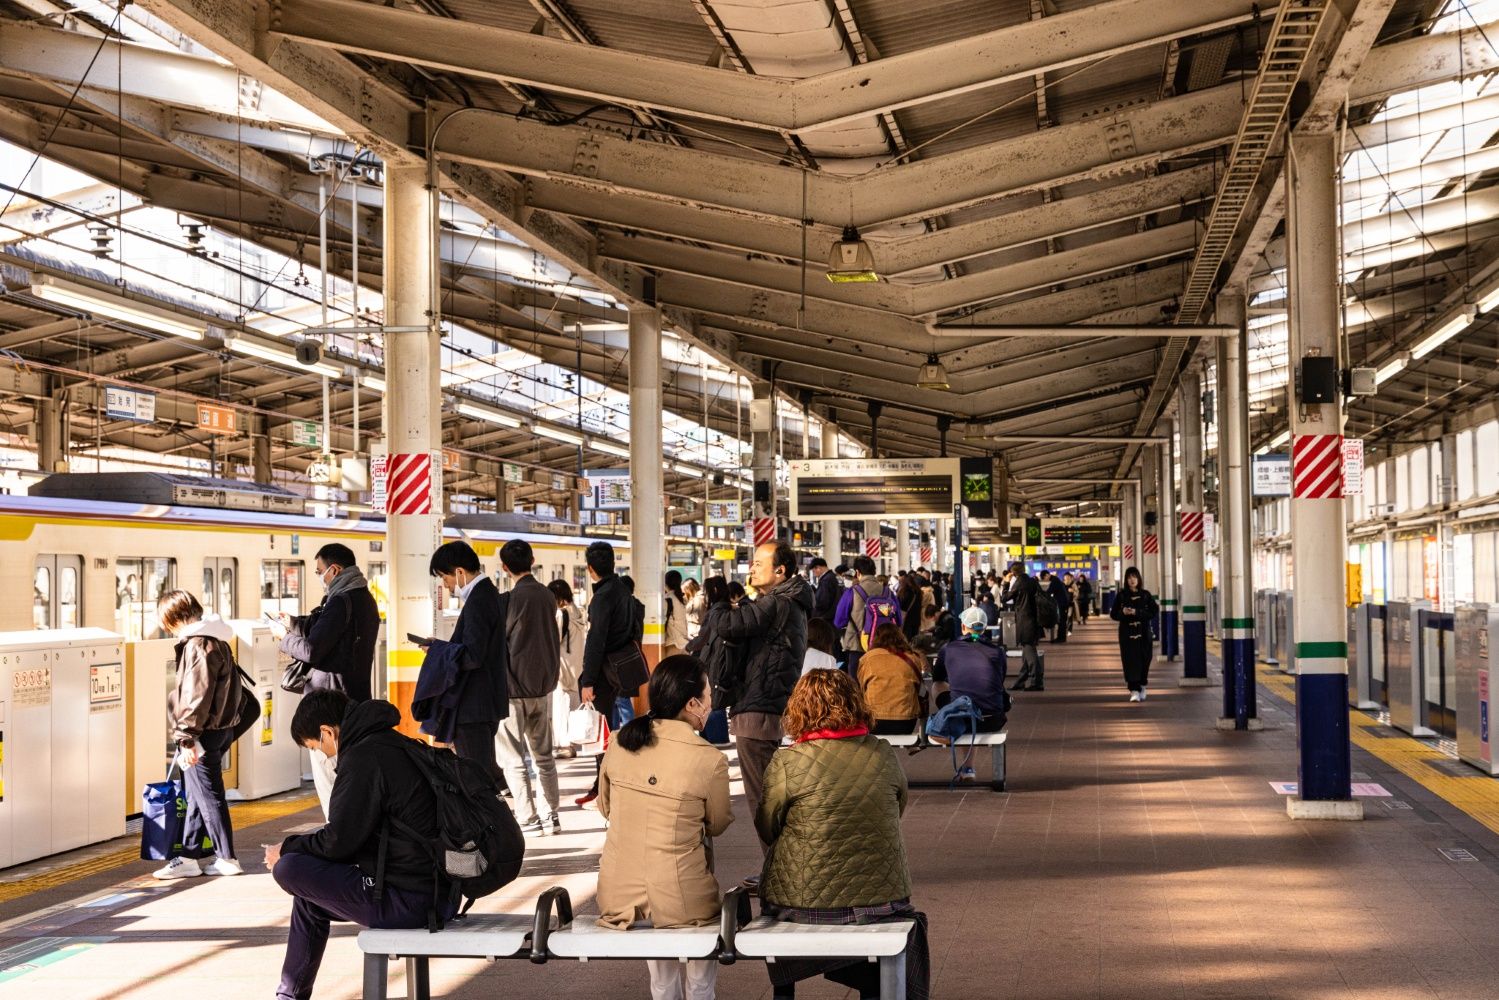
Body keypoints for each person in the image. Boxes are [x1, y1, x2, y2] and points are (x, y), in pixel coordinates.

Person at [269, 691, 458, 1000]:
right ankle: (289, 996)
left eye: (318, 748)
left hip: (409, 900)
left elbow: (339, 842)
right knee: (309, 896)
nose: (323, 757)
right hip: (434, 891)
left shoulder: (362, 759)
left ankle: (289, 997)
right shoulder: (390, 744)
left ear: (328, 732)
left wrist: (286, 848)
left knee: (289, 869)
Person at [757, 669, 927, 1000]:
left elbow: (767, 826)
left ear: (800, 709)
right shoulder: (882, 752)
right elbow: (897, 807)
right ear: (855, 704)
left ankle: (785, 990)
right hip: (879, 902)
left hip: (801, 903)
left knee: (775, 902)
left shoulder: (787, 761)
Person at [598, 655, 730, 1000]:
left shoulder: (620, 741)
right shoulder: (709, 759)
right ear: (692, 704)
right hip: (683, 901)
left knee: (662, 979)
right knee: (700, 977)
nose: (712, 700)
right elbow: (716, 824)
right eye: (708, 693)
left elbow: (605, 806)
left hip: (619, 898)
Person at [704, 541, 811, 856]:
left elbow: (727, 625)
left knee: (762, 799)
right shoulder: (791, 602)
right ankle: (780, 867)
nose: (751, 568)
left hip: (758, 707)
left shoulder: (777, 603)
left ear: (780, 571)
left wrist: (720, 601)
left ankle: (778, 872)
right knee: (769, 795)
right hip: (769, 705)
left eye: (759, 563)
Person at [269, 542, 380, 815]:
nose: (319, 576)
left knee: (329, 776)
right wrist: (295, 622)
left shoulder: (340, 601)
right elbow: (332, 632)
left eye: (320, 571)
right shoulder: (363, 598)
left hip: (329, 701)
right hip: (354, 697)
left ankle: (338, 835)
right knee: (350, 776)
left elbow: (312, 650)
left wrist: (284, 638)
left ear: (335, 569)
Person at [155, 590, 242, 879]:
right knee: (195, 794)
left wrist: (186, 737)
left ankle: (227, 857)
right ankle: (189, 857)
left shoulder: (198, 645)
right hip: (216, 729)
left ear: (175, 617)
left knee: (208, 794)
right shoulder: (216, 640)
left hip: (202, 732)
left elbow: (196, 695)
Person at [417, 541, 509, 789]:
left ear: (459, 572)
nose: (445, 585)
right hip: (481, 702)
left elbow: (473, 655)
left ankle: (492, 823)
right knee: (481, 769)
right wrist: (442, 647)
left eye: (443, 577)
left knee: (476, 775)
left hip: (474, 705)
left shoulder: (479, 599)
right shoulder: (486, 594)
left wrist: (438, 650)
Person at [495, 539, 562, 837]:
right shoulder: (547, 596)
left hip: (512, 690)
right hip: (542, 689)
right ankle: (552, 814)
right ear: (533, 560)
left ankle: (529, 818)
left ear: (504, 567)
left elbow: (502, 640)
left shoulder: (510, 599)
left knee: (514, 759)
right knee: (544, 757)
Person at [577, 541, 637, 807]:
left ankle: (604, 788)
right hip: (620, 670)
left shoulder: (603, 597)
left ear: (591, 568)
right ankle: (604, 784)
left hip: (603, 673)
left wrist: (588, 679)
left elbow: (596, 640)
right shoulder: (624, 592)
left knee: (600, 732)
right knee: (610, 730)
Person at [933, 607, 1008, 731]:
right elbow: (1000, 679)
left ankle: (952, 727)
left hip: (961, 718)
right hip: (993, 719)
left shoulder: (948, 649)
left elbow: (937, 677)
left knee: (937, 685)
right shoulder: (997, 652)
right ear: (984, 628)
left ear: (963, 627)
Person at [833, 554, 898, 678]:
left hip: (858, 649)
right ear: (874, 572)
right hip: (886, 649)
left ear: (857, 572)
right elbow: (898, 620)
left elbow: (839, 621)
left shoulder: (852, 592)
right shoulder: (888, 592)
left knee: (857, 689)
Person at [856, 623, 925, 735]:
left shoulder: (867, 658)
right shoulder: (913, 658)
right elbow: (919, 688)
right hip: (905, 723)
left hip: (874, 722)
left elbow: (862, 688)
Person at [549, 578, 587, 754]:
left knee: (561, 707)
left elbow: (553, 641)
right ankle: (573, 742)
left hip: (562, 668)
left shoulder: (560, 615)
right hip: (576, 667)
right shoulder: (578, 612)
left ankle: (565, 745)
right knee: (572, 706)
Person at [1112, 566, 1160, 702]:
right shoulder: (1121, 596)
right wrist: (1123, 613)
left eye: (1134, 577)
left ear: (1138, 578)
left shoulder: (1146, 595)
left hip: (1144, 632)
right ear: (1126, 580)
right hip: (1127, 633)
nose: (1132, 580)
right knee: (1130, 661)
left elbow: (1154, 612)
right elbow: (1113, 614)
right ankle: (1134, 690)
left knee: (1145, 659)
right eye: (1129, 578)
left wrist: (1137, 613)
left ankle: (1142, 684)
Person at [1004, 562, 1045, 692]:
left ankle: (1036, 682)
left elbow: (1005, 598)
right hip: (1035, 620)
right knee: (1028, 652)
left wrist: (1006, 583)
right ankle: (1020, 681)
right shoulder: (1033, 581)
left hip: (1025, 621)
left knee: (1030, 652)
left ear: (1014, 572)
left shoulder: (1019, 583)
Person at [1042, 570, 1072, 644]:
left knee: (1061, 621)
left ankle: (1061, 638)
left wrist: (1041, 595)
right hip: (1062, 603)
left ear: (1047, 575)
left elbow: (1049, 591)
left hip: (1062, 604)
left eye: (1044, 578)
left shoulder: (1054, 581)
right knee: (1061, 621)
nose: (1045, 580)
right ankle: (1061, 638)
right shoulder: (1055, 580)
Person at [809, 557, 840, 623]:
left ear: (818, 568)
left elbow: (822, 602)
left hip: (824, 619)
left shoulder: (826, 580)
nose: (814, 574)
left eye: (813, 571)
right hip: (830, 618)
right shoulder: (831, 577)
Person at [897, 572, 924, 641]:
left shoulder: (904, 592)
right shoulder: (918, 592)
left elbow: (900, 606)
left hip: (906, 619)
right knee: (914, 639)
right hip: (916, 619)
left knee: (906, 639)